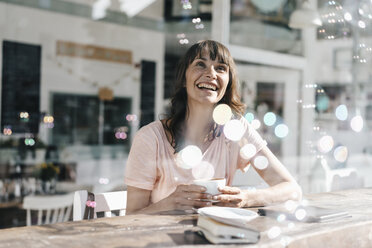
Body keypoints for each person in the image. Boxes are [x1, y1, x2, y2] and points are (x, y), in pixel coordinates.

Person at [125, 40, 302, 214]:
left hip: (216, 238)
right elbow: (131, 217)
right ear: (184, 79)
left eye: (221, 68)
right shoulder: (150, 138)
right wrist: (170, 203)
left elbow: (292, 190)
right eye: (200, 65)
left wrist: (247, 198)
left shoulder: (236, 129)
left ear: (227, 83)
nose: (211, 74)